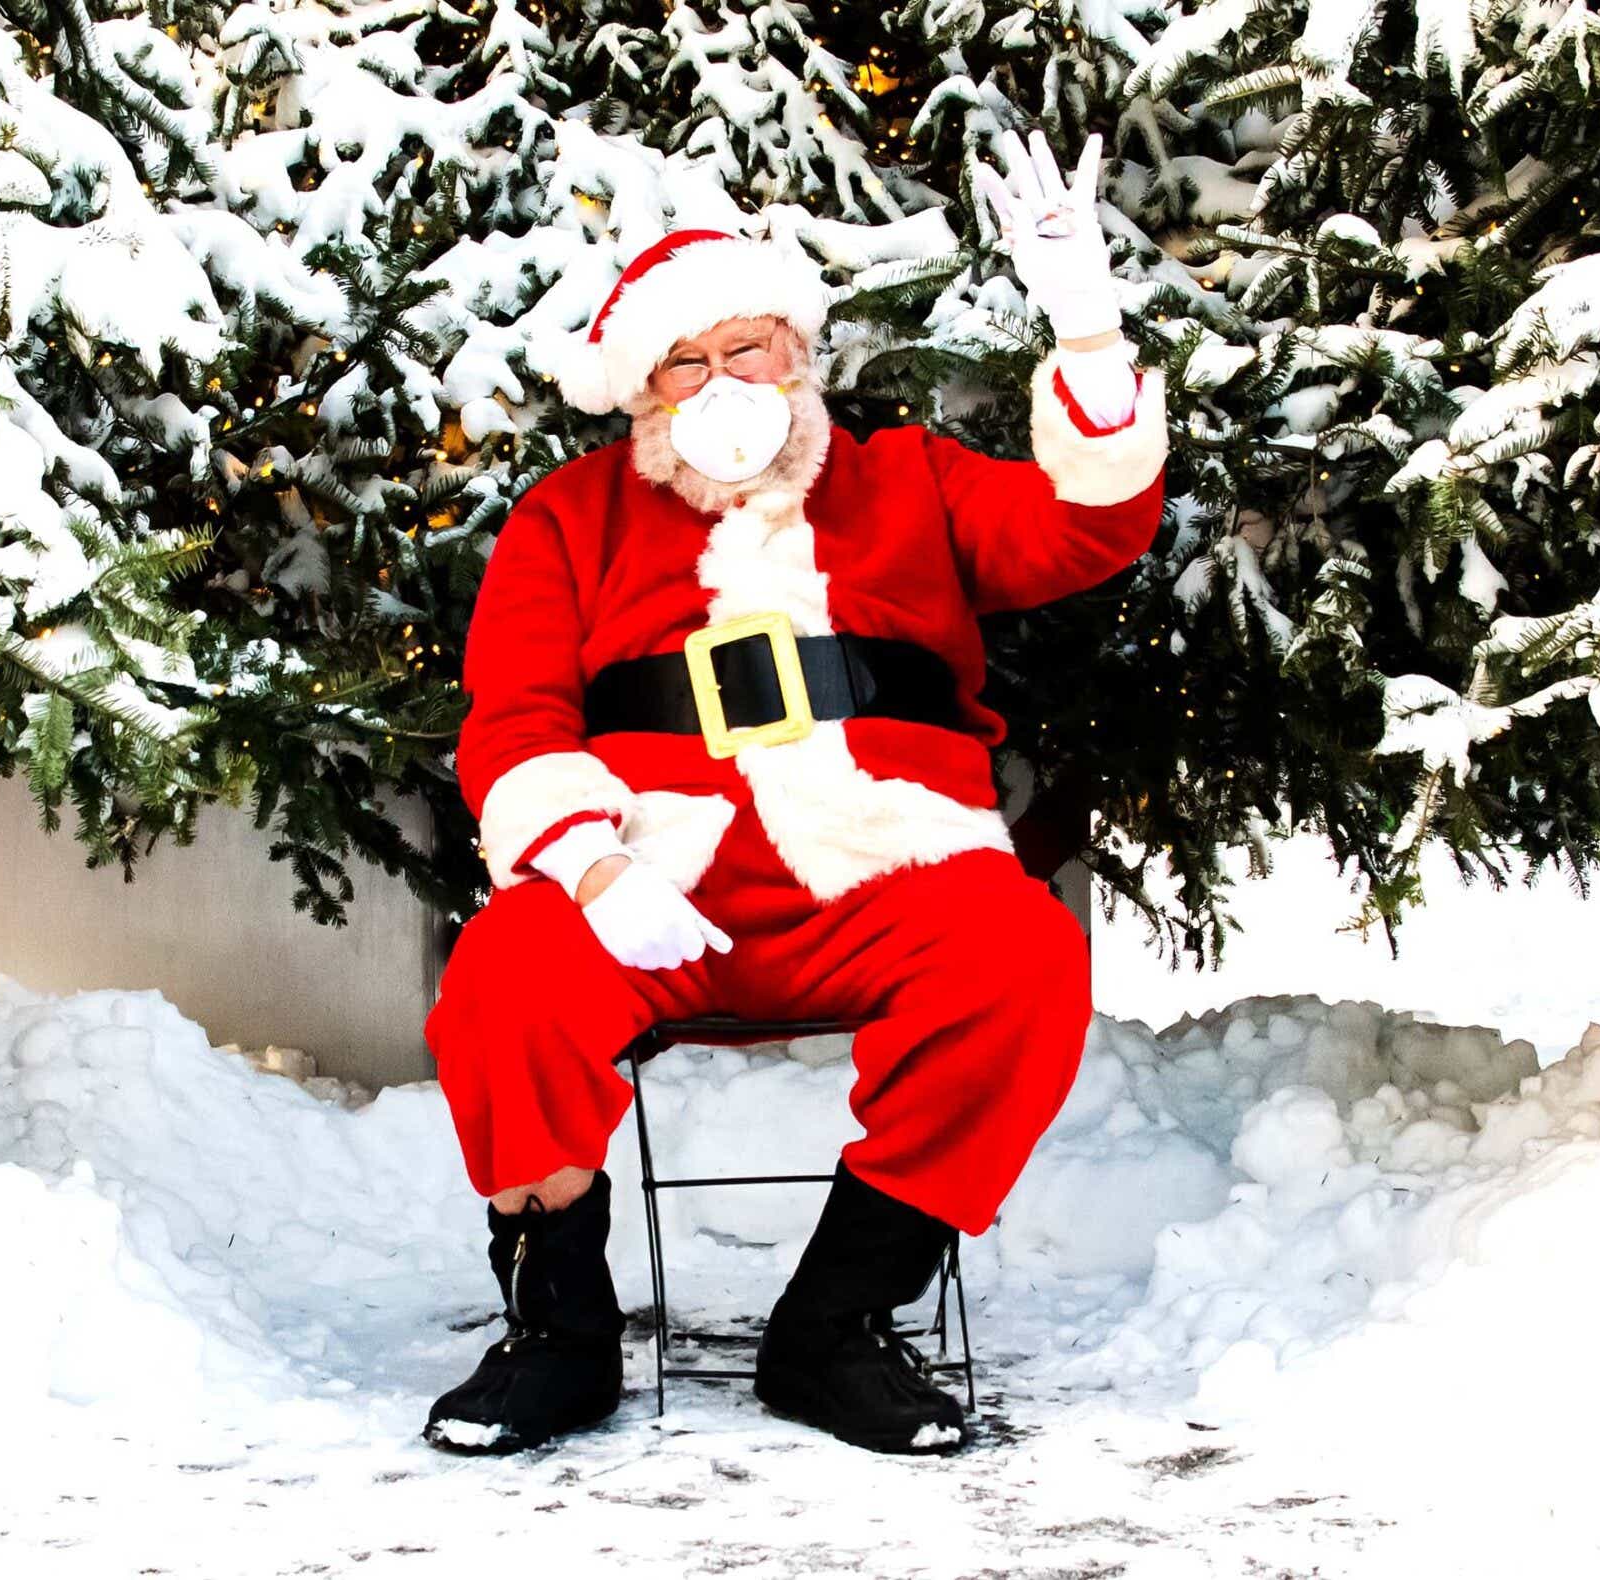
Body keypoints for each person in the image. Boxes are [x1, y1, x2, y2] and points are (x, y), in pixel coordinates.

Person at [421, 131, 1167, 1457]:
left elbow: (1086, 527)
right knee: (506, 974)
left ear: (800, 355)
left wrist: (1089, 329)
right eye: (684, 362)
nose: (721, 382)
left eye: (746, 347)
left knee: (1020, 961)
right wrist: (594, 870)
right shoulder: (568, 518)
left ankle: (836, 1325)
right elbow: (516, 719)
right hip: (658, 881)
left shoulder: (908, 479)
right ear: (641, 393)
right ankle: (560, 1334)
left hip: (889, 869)